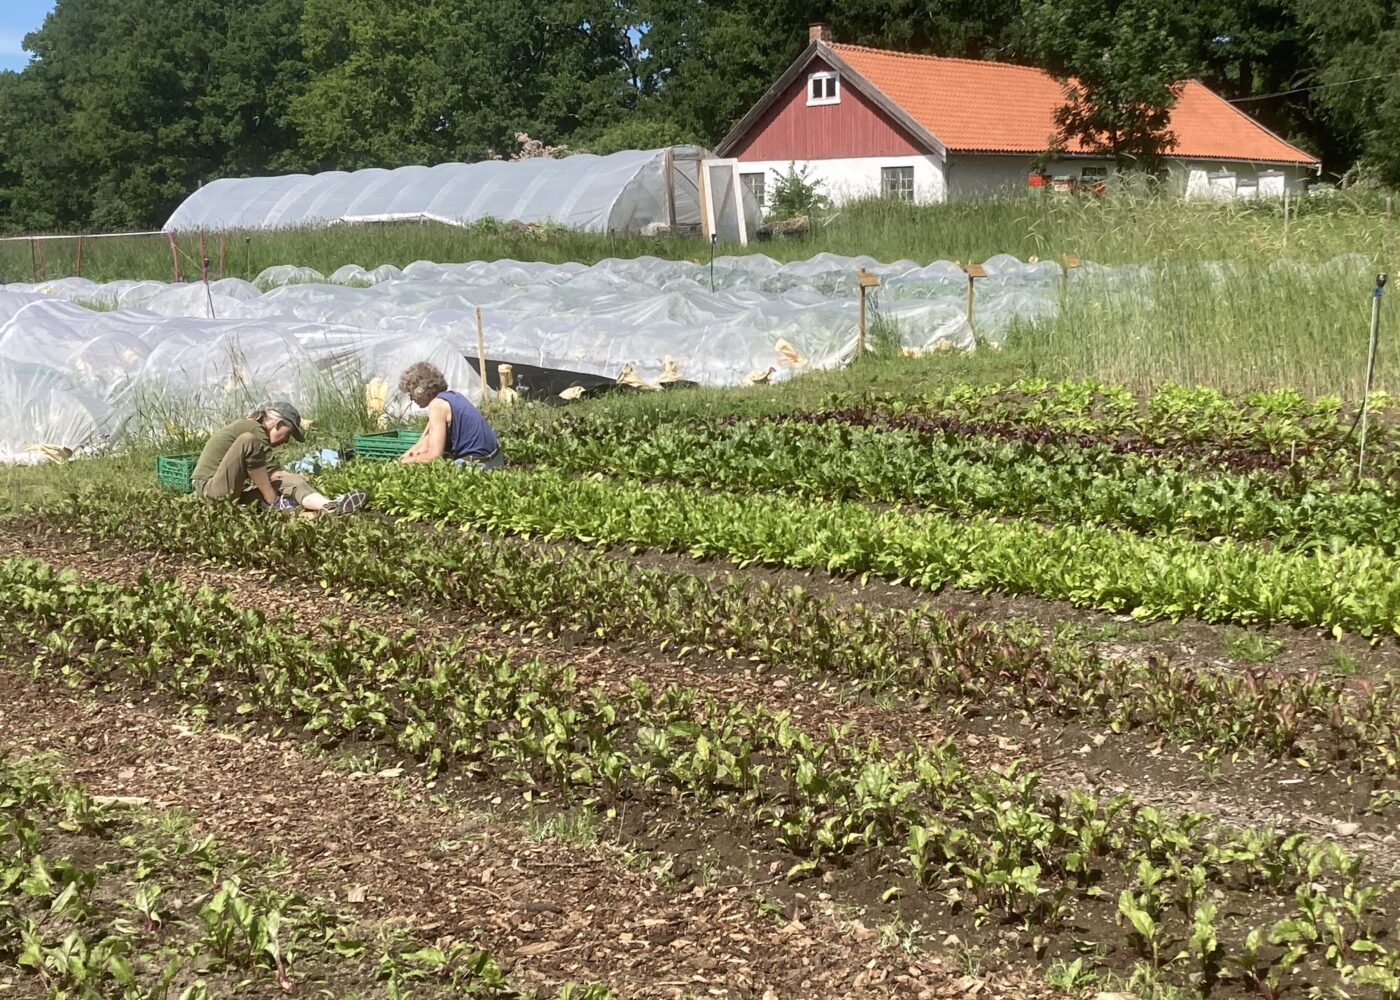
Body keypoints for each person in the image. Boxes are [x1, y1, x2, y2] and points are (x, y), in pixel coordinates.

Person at [191, 400, 367, 515]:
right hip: (212, 492)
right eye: (288, 434)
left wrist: (297, 479)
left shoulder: (256, 431)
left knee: (289, 482)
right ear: (279, 424)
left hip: (228, 494)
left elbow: (274, 475)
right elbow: (275, 474)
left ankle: (327, 508)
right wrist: (294, 481)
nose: (286, 441)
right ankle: (276, 503)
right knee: (248, 442)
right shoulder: (253, 429)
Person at [397, 362, 503, 468]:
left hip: (477, 464)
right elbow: (425, 440)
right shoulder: (452, 397)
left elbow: (434, 456)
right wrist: (406, 457)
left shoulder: (437, 406)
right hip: (496, 459)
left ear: (421, 391)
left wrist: (402, 463)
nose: (411, 399)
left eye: (411, 394)